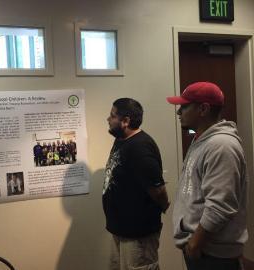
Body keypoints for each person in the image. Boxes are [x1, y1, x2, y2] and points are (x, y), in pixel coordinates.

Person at [167, 81, 248, 270]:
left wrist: (196, 242)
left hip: (213, 255)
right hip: (202, 250)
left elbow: (221, 205)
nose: (179, 112)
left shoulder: (222, 146)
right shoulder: (201, 140)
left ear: (203, 109)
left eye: (184, 106)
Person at [103, 98, 170, 270]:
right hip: (120, 230)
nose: (108, 119)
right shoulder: (121, 140)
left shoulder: (141, 147)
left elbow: (158, 190)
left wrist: (163, 205)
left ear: (125, 121)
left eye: (112, 116)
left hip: (139, 235)